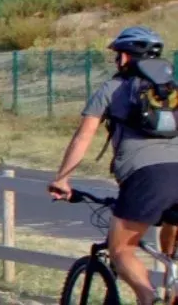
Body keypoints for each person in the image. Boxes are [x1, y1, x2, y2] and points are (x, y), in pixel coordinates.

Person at [49, 26, 178, 305]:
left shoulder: (111, 89)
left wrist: (62, 178)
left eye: (118, 55)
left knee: (121, 251)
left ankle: (148, 298)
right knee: (171, 236)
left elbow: (83, 137)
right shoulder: (172, 93)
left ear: (126, 58)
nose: (116, 61)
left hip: (147, 178)